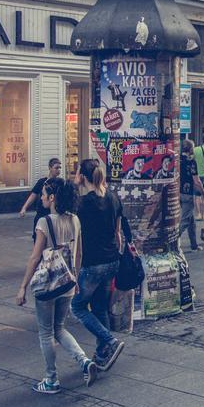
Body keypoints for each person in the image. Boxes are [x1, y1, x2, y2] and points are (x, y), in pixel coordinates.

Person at [16, 177, 97, 393]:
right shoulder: (75, 220)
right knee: (59, 328)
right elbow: (79, 253)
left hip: (48, 283)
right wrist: (76, 279)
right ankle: (84, 361)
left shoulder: (45, 222)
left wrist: (23, 286)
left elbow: (35, 258)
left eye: (43, 194)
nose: (41, 197)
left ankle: (51, 379)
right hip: (68, 281)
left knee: (46, 332)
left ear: (52, 198)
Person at [71, 159, 126, 372]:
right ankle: (103, 352)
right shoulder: (113, 198)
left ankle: (109, 340)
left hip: (92, 264)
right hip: (112, 260)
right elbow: (117, 233)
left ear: (82, 177)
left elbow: (78, 240)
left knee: (77, 306)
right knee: (100, 305)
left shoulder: (82, 205)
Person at [20, 158, 63, 229]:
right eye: (56, 168)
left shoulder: (60, 182)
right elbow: (33, 195)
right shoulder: (42, 182)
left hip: (54, 212)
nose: (58, 170)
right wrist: (24, 207)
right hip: (41, 212)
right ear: (50, 168)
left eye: (59, 168)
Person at [178, 140, 204, 252]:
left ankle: (194, 244)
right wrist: (203, 193)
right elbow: (196, 180)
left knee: (191, 220)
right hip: (187, 193)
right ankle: (170, 241)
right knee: (185, 220)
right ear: (190, 149)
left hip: (178, 192)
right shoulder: (191, 161)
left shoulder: (177, 159)